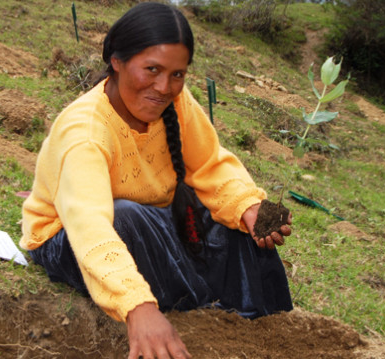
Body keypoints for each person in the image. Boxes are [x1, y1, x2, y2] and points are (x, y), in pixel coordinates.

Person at [20, 2, 293, 358]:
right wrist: (137, 306)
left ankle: (271, 331)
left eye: (177, 75)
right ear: (116, 62)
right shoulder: (85, 133)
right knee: (126, 217)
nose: (164, 87)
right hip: (70, 238)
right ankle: (188, 316)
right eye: (151, 69)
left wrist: (249, 206)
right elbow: (91, 228)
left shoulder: (173, 104)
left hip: (152, 218)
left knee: (236, 222)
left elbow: (210, 164)